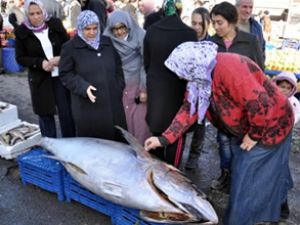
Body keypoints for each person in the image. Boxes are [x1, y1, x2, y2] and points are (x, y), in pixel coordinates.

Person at [144, 41, 294, 225]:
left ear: (193, 64)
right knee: (269, 170)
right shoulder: (199, 79)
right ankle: (279, 207)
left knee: (245, 177)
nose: (181, 77)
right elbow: (189, 109)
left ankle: (239, 221)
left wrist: (254, 135)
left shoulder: (230, 69)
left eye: (181, 71)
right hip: (248, 127)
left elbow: (260, 103)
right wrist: (163, 139)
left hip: (271, 125)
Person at [209, 1, 264, 191]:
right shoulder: (211, 43)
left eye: (219, 22)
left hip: (245, 105)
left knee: (243, 143)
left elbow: (260, 73)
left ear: (232, 21)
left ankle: (240, 179)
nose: (215, 27)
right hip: (221, 106)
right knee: (223, 141)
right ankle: (226, 175)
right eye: (213, 23)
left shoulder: (250, 41)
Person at [143, 0, 197, 167]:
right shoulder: (189, 33)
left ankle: (156, 176)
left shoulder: (151, 31)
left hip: (157, 93)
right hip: (178, 93)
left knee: (157, 134)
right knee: (175, 135)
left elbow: (147, 63)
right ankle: (171, 176)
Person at [59, 10, 127, 142]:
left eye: (95, 28)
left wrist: (118, 86)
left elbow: (118, 66)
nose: (92, 32)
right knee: (96, 147)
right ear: (79, 28)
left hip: (113, 106)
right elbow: (65, 74)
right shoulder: (70, 48)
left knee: (117, 145)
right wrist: (83, 87)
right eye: (87, 29)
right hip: (88, 109)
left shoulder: (106, 42)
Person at [15, 0, 75, 138]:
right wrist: (39, 63)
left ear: (44, 11)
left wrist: (60, 58)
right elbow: (20, 58)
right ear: (27, 14)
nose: (36, 17)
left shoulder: (55, 24)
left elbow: (68, 47)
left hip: (60, 77)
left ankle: (71, 144)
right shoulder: (21, 32)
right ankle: (50, 144)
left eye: (38, 12)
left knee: (66, 113)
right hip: (40, 79)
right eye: (32, 14)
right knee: (45, 114)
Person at [103, 10, 151, 144]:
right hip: (121, 87)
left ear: (128, 25)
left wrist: (144, 89)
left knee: (141, 122)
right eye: (115, 29)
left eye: (122, 27)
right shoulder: (107, 40)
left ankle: (143, 152)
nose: (119, 32)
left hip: (139, 85)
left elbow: (145, 63)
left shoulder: (140, 35)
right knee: (126, 121)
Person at [184, 7, 210, 170]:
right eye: (193, 23)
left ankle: (194, 156)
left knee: (200, 124)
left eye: (200, 23)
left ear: (207, 24)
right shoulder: (185, 40)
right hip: (185, 89)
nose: (196, 27)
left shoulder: (212, 43)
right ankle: (177, 153)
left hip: (204, 91)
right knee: (182, 122)